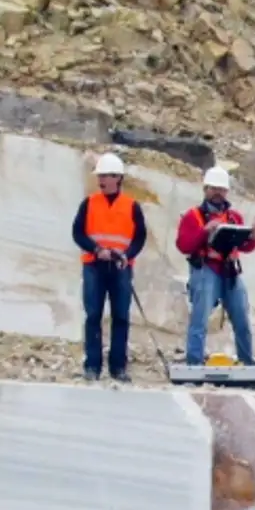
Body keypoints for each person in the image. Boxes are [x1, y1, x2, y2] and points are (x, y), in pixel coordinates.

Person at [70, 153, 149, 382]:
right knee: (93, 315)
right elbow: (78, 233)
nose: (101, 180)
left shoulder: (132, 206)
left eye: (105, 176)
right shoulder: (89, 203)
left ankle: (118, 368)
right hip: (94, 266)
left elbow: (139, 237)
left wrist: (127, 255)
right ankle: (92, 366)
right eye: (100, 176)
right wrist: (96, 250)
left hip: (121, 267)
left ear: (118, 178)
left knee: (121, 317)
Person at [175, 166, 255, 367]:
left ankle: (247, 361)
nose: (217, 193)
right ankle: (194, 361)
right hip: (206, 270)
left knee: (241, 319)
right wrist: (204, 232)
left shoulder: (234, 218)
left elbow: (245, 247)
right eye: (213, 188)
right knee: (200, 320)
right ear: (205, 189)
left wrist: (253, 237)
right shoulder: (193, 216)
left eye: (221, 189)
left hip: (230, 272)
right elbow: (184, 245)